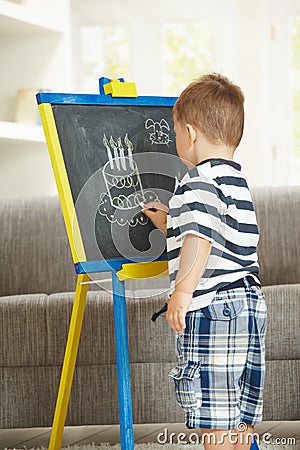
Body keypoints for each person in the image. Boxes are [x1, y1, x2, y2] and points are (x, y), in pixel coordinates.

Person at [142, 73, 267, 450]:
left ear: (191, 133)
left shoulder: (197, 181)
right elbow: (213, 231)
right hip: (248, 305)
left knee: (213, 421)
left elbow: (201, 239)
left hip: (213, 307)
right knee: (239, 418)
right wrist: (170, 221)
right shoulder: (235, 182)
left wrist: (182, 291)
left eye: (176, 131)